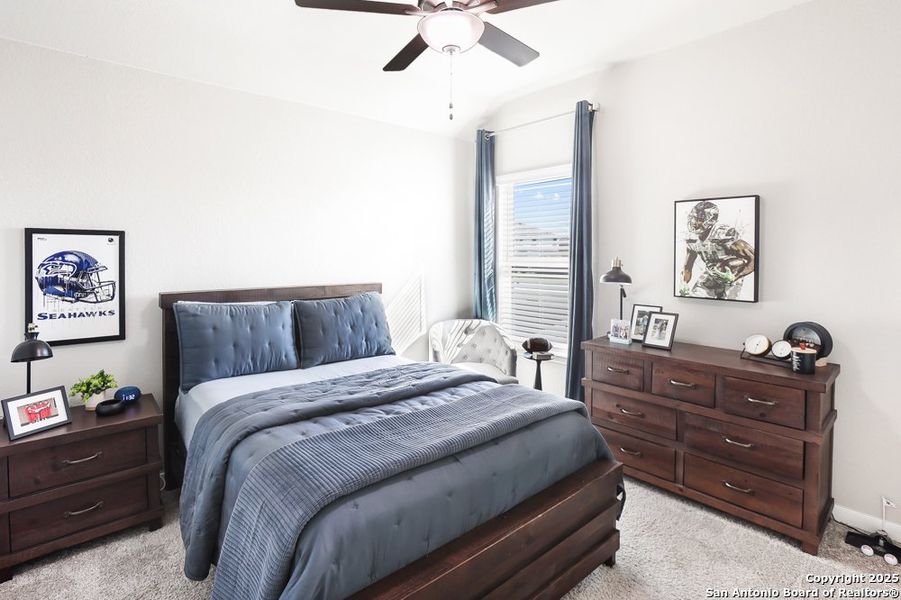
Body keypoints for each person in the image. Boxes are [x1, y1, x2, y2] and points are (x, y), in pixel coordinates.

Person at [680, 201, 755, 300]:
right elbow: (688, 267)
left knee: (729, 307)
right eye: (693, 218)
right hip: (711, 274)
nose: (694, 222)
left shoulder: (723, 233)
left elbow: (754, 258)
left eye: (699, 219)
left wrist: (736, 276)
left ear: (711, 220)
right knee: (696, 298)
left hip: (731, 275)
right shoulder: (692, 238)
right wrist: (683, 284)